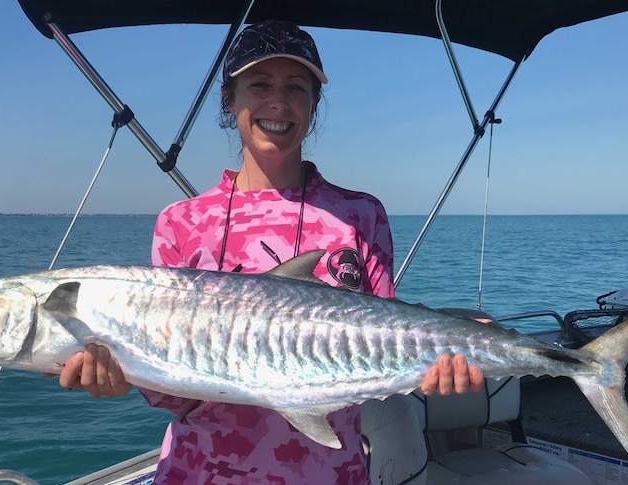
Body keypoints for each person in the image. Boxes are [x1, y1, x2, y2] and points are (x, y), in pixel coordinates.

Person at [55, 19, 484, 484]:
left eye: (296, 88)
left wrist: (447, 352)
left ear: (313, 105)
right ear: (230, 98)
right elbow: (177, 390)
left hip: (328, 472)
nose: (278, 102)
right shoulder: (182, 223)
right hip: (200, 471)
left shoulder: (360, 215)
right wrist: (125, 374)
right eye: (259, 84)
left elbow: (383, 337)